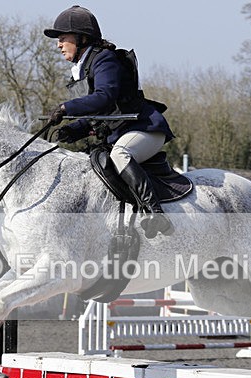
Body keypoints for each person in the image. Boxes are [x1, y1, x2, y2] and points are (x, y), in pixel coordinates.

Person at [44, 5, 175, 238]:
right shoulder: (84, 69)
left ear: (83, 38)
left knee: (120, 155)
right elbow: (103, 113)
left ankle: (155, 213)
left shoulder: (105, 60)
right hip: (123, 130)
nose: (58, 44)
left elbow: (105, 98)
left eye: (63, 38)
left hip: (145, 129)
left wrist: (66, 107)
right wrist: (74, 130)